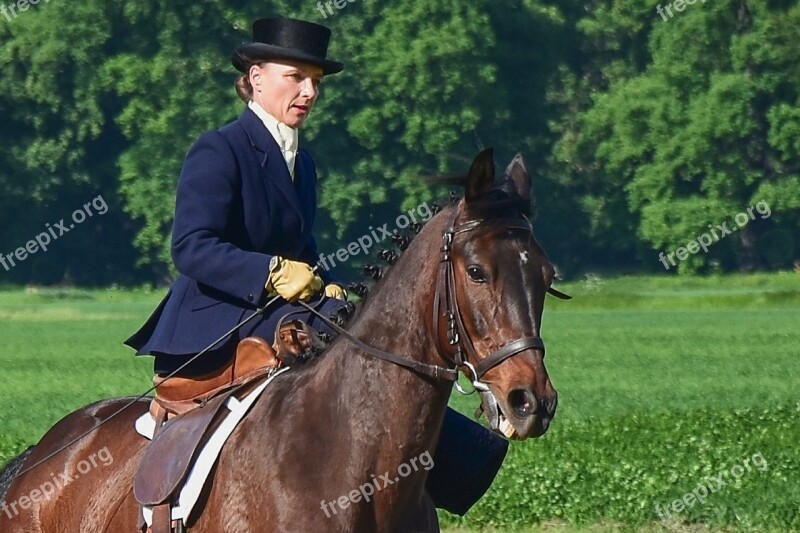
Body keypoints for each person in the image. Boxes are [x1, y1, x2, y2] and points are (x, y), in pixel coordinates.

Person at [125, 16, 507, 517]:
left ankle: (423, 481)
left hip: (282, 312)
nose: (309, 92)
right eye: (296, 77)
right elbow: (191, 247)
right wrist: (272, 272)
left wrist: (324, 283)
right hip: (215, 321)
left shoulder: (302, 161)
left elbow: (301, 248)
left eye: (316, 82)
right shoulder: (219, 149)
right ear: (256, 76)